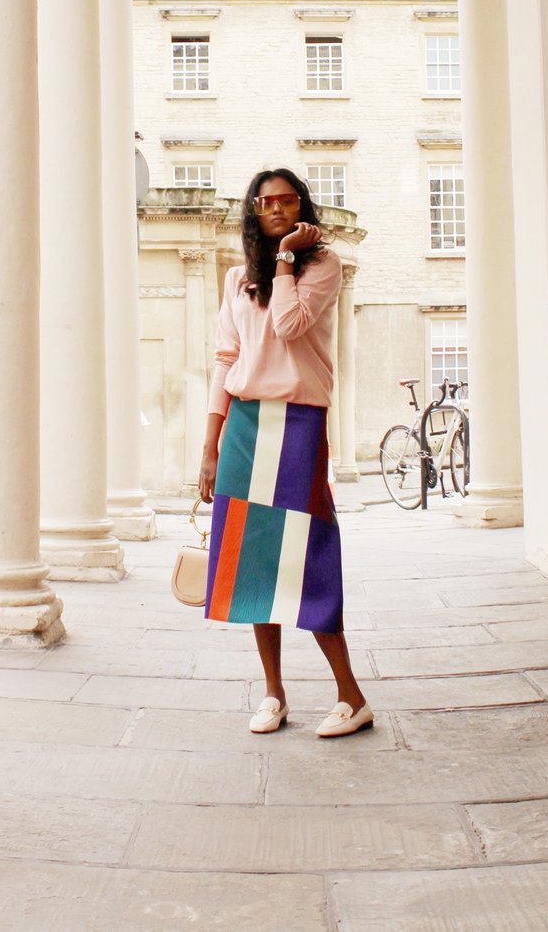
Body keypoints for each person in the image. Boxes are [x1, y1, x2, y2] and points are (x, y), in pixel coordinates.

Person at [197, 167, 372, 738]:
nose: (274, 208)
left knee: (309, 554)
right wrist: (210, 443)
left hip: (297, 424)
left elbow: (291, 325)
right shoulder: (235, 278)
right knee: (252, 564)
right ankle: (273, 693)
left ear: (301, 207)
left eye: (286, 199)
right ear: (253, 210)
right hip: (246, 426)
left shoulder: (322, 266)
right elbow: (227, 358)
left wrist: (288, 262)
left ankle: (351, 694)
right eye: (264, 200)